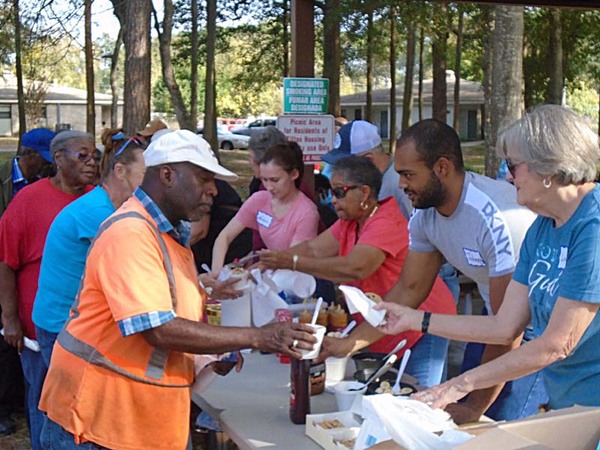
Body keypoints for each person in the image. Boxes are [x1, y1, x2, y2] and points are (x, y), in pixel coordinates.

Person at [38, 130, 316, 450]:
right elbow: (158, 329)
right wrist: (260, 335)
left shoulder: (167, 236)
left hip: (138, 422)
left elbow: (173, 314)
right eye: (203, 179)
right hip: (98, 423)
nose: (213, 190)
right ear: (167, 175)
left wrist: (205, 357)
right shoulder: (130, 233)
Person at [377, 105, 600, 414]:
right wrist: (414, 319)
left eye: (513, 164)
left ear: (547, 167)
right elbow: (504, 326)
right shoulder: (542, 227)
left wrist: (460, 385)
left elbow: (557, 343)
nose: (507, 174)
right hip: (570, 400)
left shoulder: (593, 226)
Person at [375, 118, 544, 424]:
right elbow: (409, 290)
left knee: (497, 432)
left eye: (408, 174)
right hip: (492, 321)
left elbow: (509, 331)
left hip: (534, 331)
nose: (401, 184)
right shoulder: (424, 215)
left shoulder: (495, 218)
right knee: (458, 421)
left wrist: (474, 407)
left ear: (441, 168)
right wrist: (349, 343)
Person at [259, 156, 456, 387]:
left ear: (363, 193)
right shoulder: (349, 222)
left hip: (421, 323)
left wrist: (290, 261)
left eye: (339, 192)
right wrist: (272, 260)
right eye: (331, 193)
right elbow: (314, 248)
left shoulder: (386, 221)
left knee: (418, 398)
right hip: (385, 322)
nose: (333, 200)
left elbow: (356, 268)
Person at [0, 130, 96, 450]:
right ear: (58, 159)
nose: (92, 162)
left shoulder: (96, 199)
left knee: (76, 406)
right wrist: (10, 319)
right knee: (43, 400)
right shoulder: (27, 200)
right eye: (82, 155)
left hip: (85, 328)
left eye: (95, 155)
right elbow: (5, 262)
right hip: (40, 328)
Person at [32, 129, 147, 370]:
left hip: (69, 321)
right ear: (120, 171)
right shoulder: (98, 214)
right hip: (61, 325)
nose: (148, 183)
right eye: (144, 174)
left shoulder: (105, 205)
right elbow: (133, 272)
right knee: (67, 403)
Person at [0, 128, 55, 436]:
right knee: (4, 341)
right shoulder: (5, 180)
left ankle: (16, 401)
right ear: (28, 155)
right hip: (3, 263)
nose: (47, 167)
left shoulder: (38, 184)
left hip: (16, 268)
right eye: (43, 160)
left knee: (14, 347)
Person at [211, 141, 320, 275]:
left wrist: (249, 273)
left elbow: (289, 261)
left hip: (298, 280)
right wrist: (216, 274)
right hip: (270, 273)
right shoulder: (259, 199)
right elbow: (225, 236)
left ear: (294, 175)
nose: (269, 187)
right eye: (264, 180)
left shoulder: (307, 212)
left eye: (275, 180)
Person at [0, 128, 56, 215]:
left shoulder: (47, 179)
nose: (49, 165)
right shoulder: (3, 177)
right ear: (30, 153)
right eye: (45, 160)